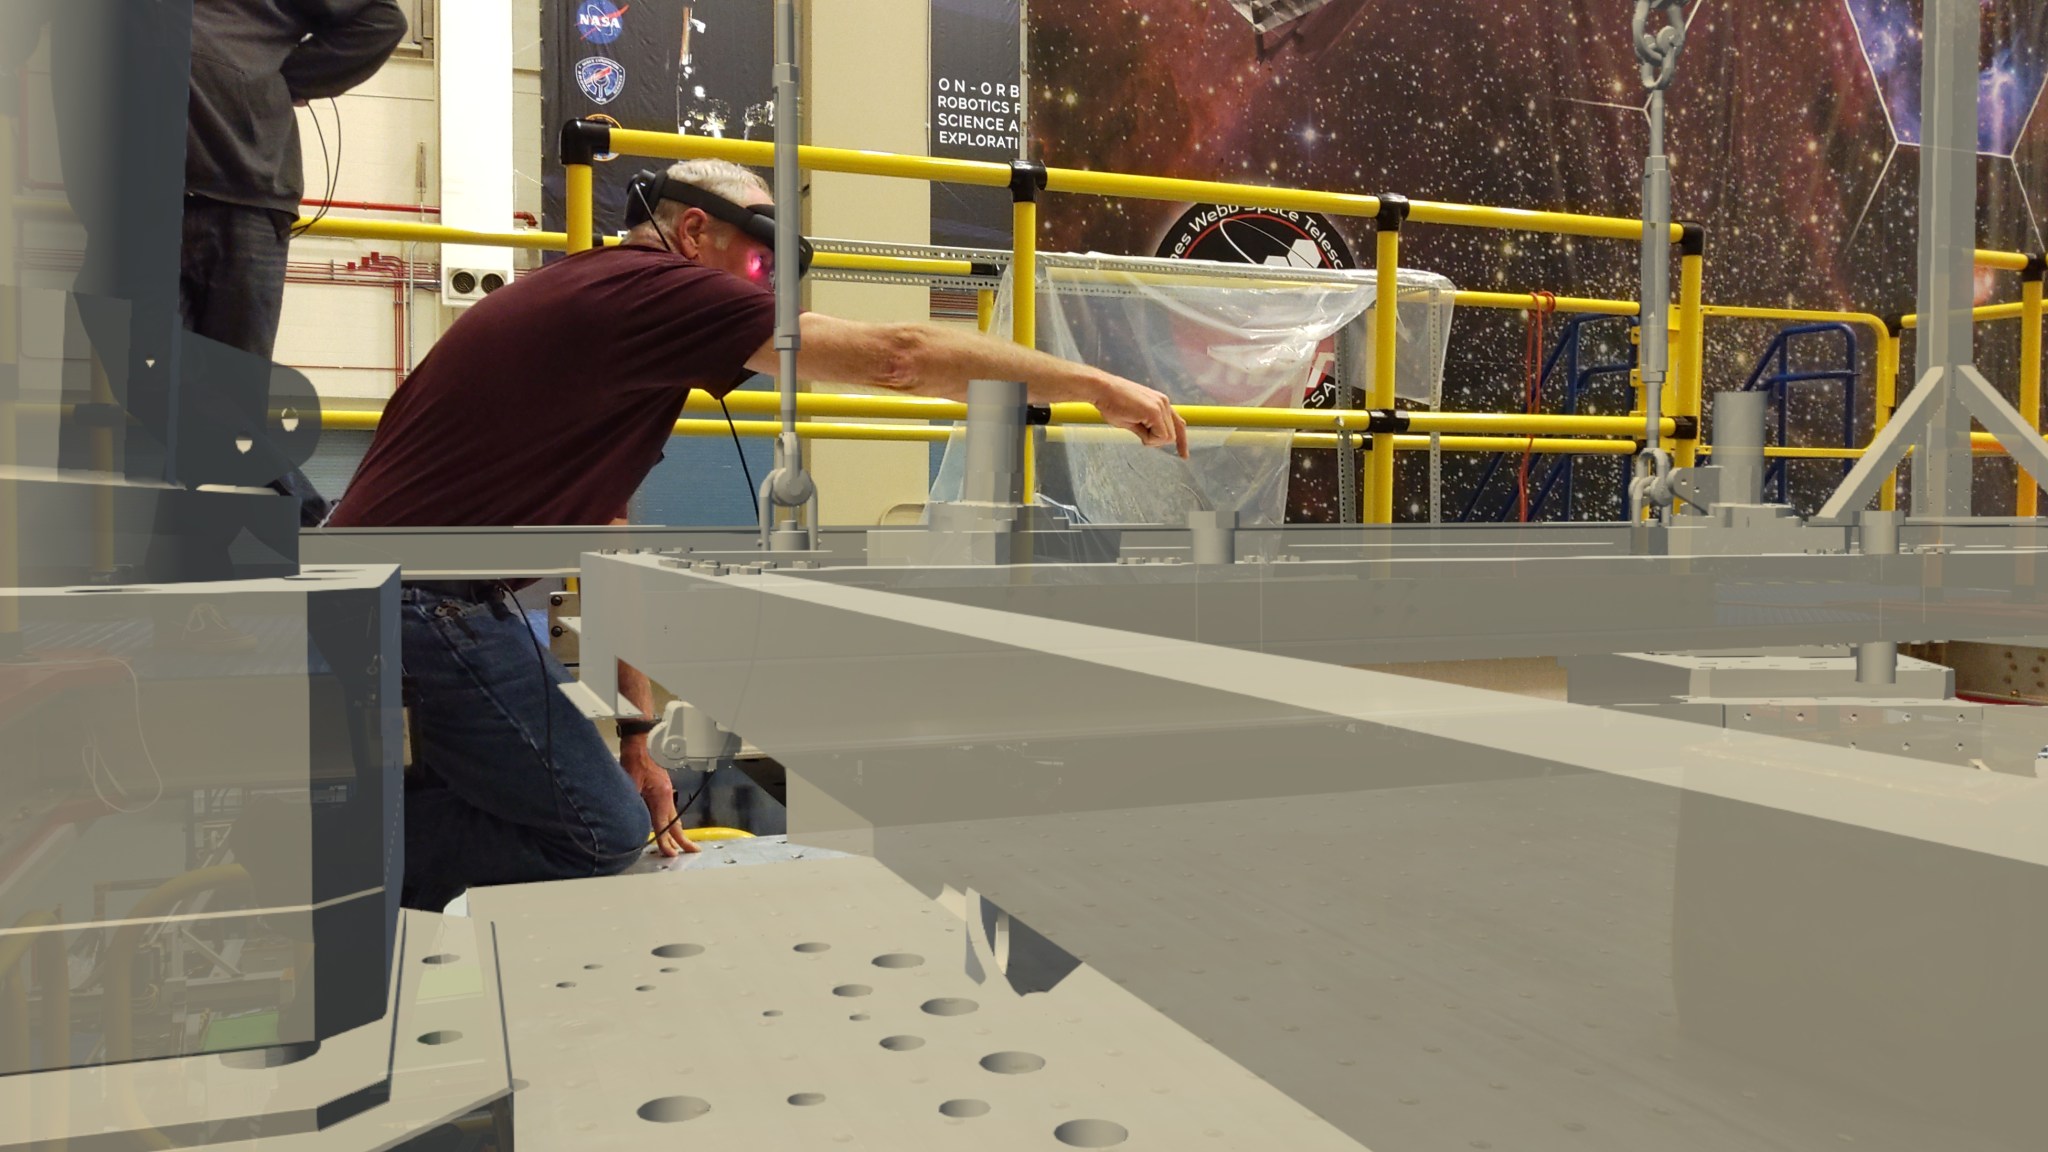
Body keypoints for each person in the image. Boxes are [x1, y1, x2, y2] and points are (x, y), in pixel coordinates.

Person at [323, 158, 1188, 911]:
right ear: (693, 232)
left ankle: (363, 852)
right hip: (426, 601)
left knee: (534, 805)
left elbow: (605, 532)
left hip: (419, 589)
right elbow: (900, 354)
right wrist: (1093, 386)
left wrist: (637, 736)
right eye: (762, 264)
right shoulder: (652, 292)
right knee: (598, 837)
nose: (770, 294)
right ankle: (336, 862)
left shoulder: (603, 316)